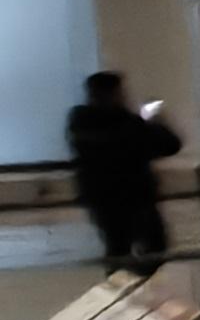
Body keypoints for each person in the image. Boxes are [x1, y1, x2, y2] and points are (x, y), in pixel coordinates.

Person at [66, 71, 180, 273]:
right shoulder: (126, 123)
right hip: (133, 195)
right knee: (147, 246)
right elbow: (168, 145)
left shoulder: (82, 122)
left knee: (120, 246)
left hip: (105, 197)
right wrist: (154, 123)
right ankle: (136, 280)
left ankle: (123, 281)